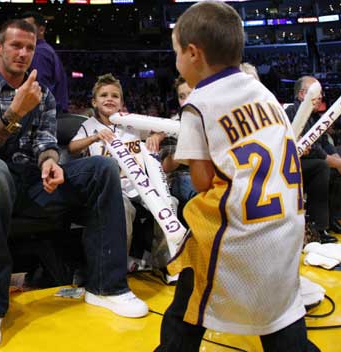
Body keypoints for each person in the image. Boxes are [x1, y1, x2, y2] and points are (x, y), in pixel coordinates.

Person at [0, 20, 147, 351]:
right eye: (16, 46)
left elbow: (45, 141)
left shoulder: (42, 94)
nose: (24, 53)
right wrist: (15, 112)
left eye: (30, 48)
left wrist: (50, 163)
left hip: (29, 183)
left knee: (101, 168)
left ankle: (106, 287)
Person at [156, 2, 319, 351]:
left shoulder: (198, 103)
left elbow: (201, 184)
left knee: (185, 308)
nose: (175, 61)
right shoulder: (266, 95)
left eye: (175, 53)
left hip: (235, 231)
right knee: (281, 318)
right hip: (284, 228)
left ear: (193, 53)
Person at [68, 73, 165, 263]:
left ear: (121, 102)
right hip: (111, 187)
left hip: (139, 185)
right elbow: (71, 148)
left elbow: (161, 128)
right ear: (94, 102)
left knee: (169, 204)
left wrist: (156, 137)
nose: (109, 99)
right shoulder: (89, 126)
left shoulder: (132, 123)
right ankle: (117, 266)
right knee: (122, 208)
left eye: (115, 96)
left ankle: (164, 264)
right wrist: (94, 138)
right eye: (104, 95)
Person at [285, 76, 341, 242]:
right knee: (321, 166)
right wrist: (337, 163)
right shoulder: (291, 112)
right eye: (317, 92)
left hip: (309, 160)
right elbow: (313, 150)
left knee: (334, 168)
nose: (321, 96)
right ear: (302, 94)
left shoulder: (315, 117)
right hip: (291, 164)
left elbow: (326, 146)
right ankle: (318, 228)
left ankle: (332, 220)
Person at [159, 76, 197, 223]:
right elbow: (166, 167)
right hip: (183, 176)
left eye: (191, 94)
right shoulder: (171, 126)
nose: (187, 100)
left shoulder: (214, 118)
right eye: (182, 96)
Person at [22, 11, 68, 113]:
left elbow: (41, 91)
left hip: (46, 116)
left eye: (28, 27)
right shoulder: (45, 49)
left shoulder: (39, 52)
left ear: (41, 30)